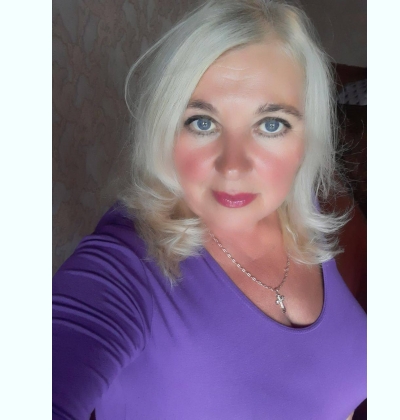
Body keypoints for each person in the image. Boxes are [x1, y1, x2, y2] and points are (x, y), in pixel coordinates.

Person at [52, 0, 367, 419]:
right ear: (166, 128)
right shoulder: (125, 263)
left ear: (305, 138)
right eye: (202, 122)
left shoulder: (296, 206)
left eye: (271, 124)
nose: (233, 166)